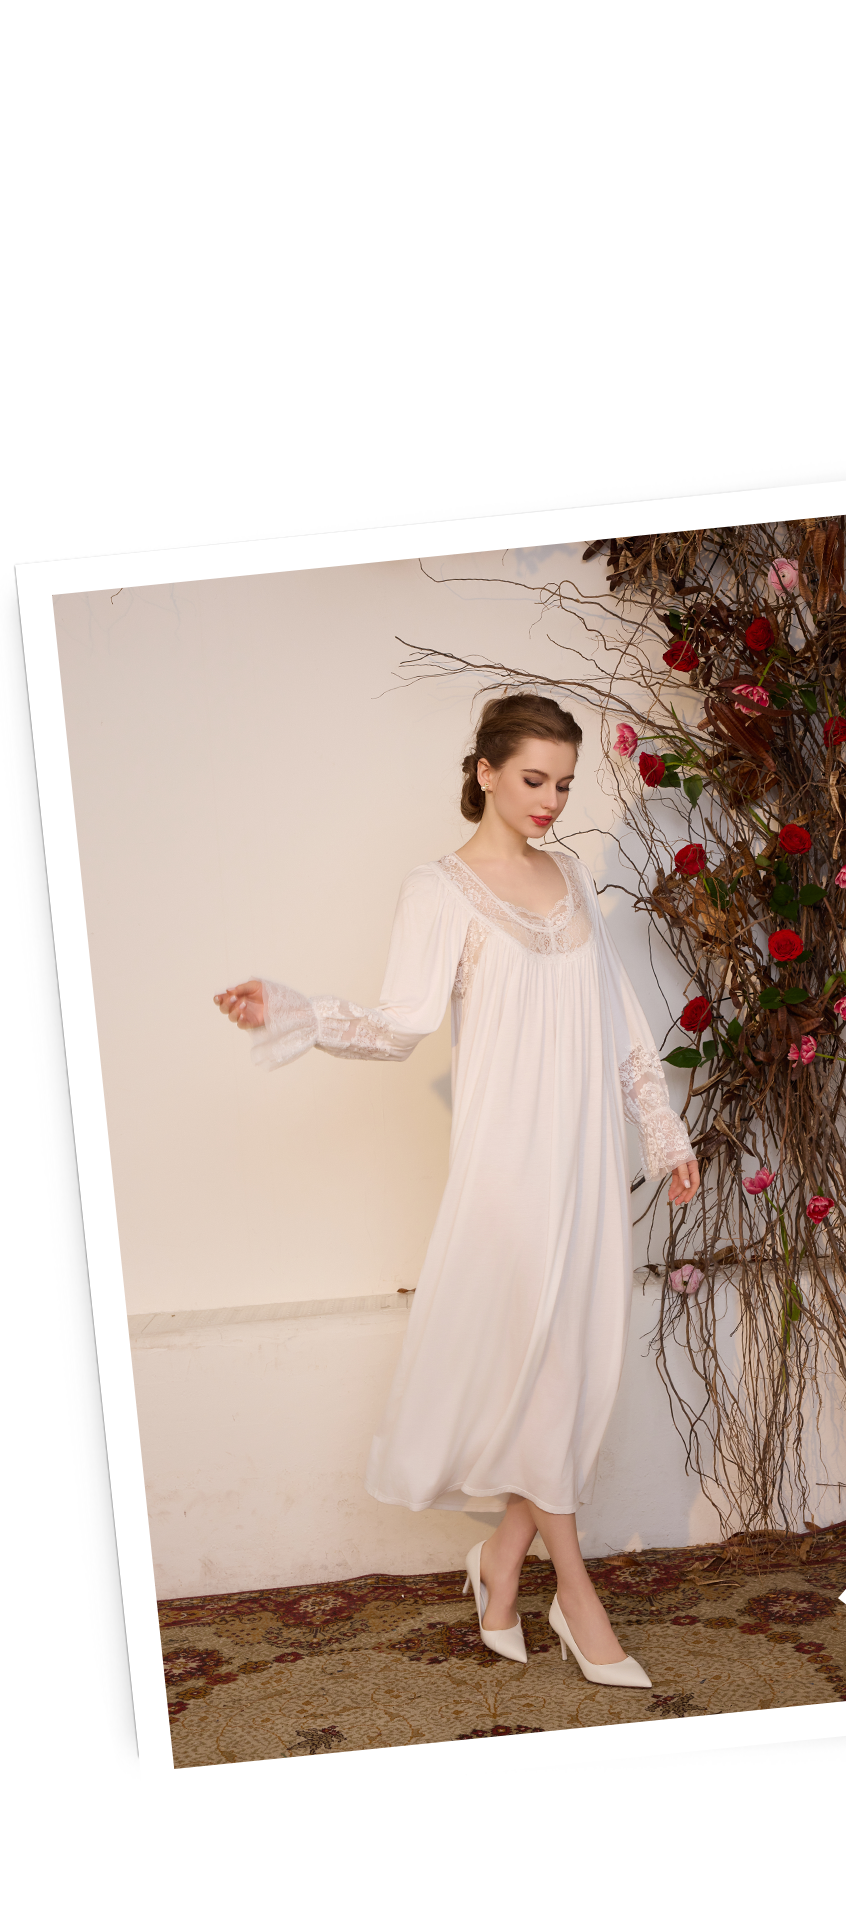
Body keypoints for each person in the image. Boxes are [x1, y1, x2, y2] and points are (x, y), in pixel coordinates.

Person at [215, 692, 699, 1688]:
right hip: (506, 1170)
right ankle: (577, 1599)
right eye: (533, 779)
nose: (550, 801)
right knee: (546, 1375)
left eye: (565, 784)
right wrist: (297, 1010)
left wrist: (662, 1130)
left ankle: (499, 1563)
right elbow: (400, 1025)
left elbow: (619, 1022)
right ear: (484, 772)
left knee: (569, 1373)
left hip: (585, 1166)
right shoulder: (437, 891)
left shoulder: (570, 878)